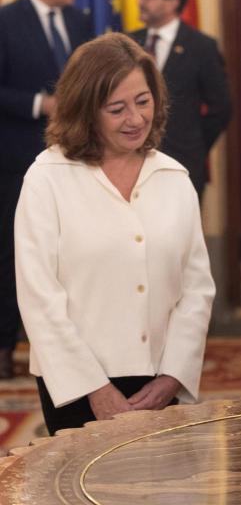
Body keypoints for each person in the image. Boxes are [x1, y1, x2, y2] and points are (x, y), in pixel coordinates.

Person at [14, 33, 216, 435]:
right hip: (73, 385)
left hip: (160, 383)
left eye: (143, 102)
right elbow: (39, 298)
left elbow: (196, 289)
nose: (136, 119)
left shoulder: (174, 178)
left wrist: (172, 377)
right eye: (117, 109)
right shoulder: (46, 179)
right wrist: (95, 389)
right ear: (85, 111)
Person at [0, 0, 93, 379]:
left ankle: (69, 343)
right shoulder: (6, 21)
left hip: (75, 161)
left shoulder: (81, 22)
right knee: (10, 253)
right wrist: (41, 104)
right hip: (16, 160)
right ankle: (5, 344)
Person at [129, 0, 231, 198]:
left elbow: (221, 107)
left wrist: (194, 143)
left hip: (183, 162)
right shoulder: (128, 43)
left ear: (173, 2)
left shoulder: (201, 47)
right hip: (131, 162)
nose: (139, 1)